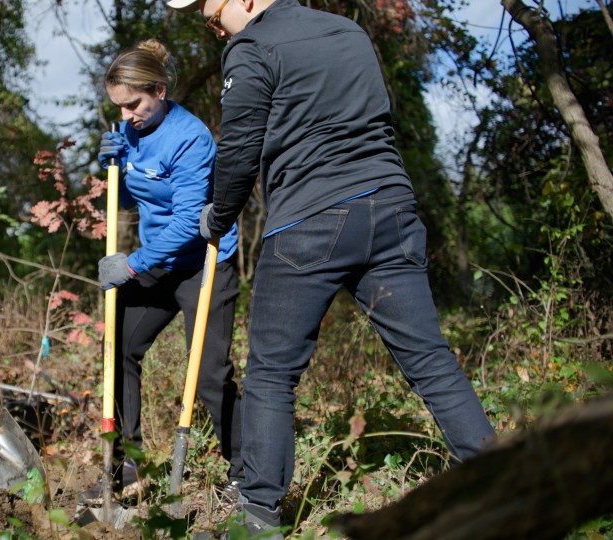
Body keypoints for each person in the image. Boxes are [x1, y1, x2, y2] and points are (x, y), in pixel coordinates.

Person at [165, 0, 497, 535]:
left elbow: (241, 147)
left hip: (311, 222)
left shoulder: (251, 46)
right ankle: (500, 483)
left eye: (212, 14)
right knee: (432, 360)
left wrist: (219, 214)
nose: (214, 28)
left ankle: (258, 517)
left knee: (272, 374)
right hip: (390, 208)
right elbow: (374, 114)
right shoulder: (347, 31)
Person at [90, 39, 244, 504]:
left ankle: (244, 474)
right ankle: (127, 466)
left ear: (159, 90)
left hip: (203, 262)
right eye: (118, 107)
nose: (126, 116)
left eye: (134, 105)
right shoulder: (130, 131)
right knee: (119, 347)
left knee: (212, 374)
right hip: (160, 260)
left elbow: (185, 223)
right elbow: (141, 200)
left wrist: (132, 263)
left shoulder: (191, 137)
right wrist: (113, 168)